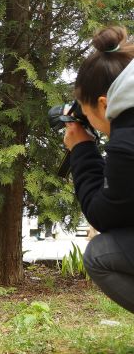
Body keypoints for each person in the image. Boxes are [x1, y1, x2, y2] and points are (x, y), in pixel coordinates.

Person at [63, 25, 134, 313]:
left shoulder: (127, 140)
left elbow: (104, 214)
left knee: (100, 254)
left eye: (87, 112)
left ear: (104, 104)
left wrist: (81, 148)